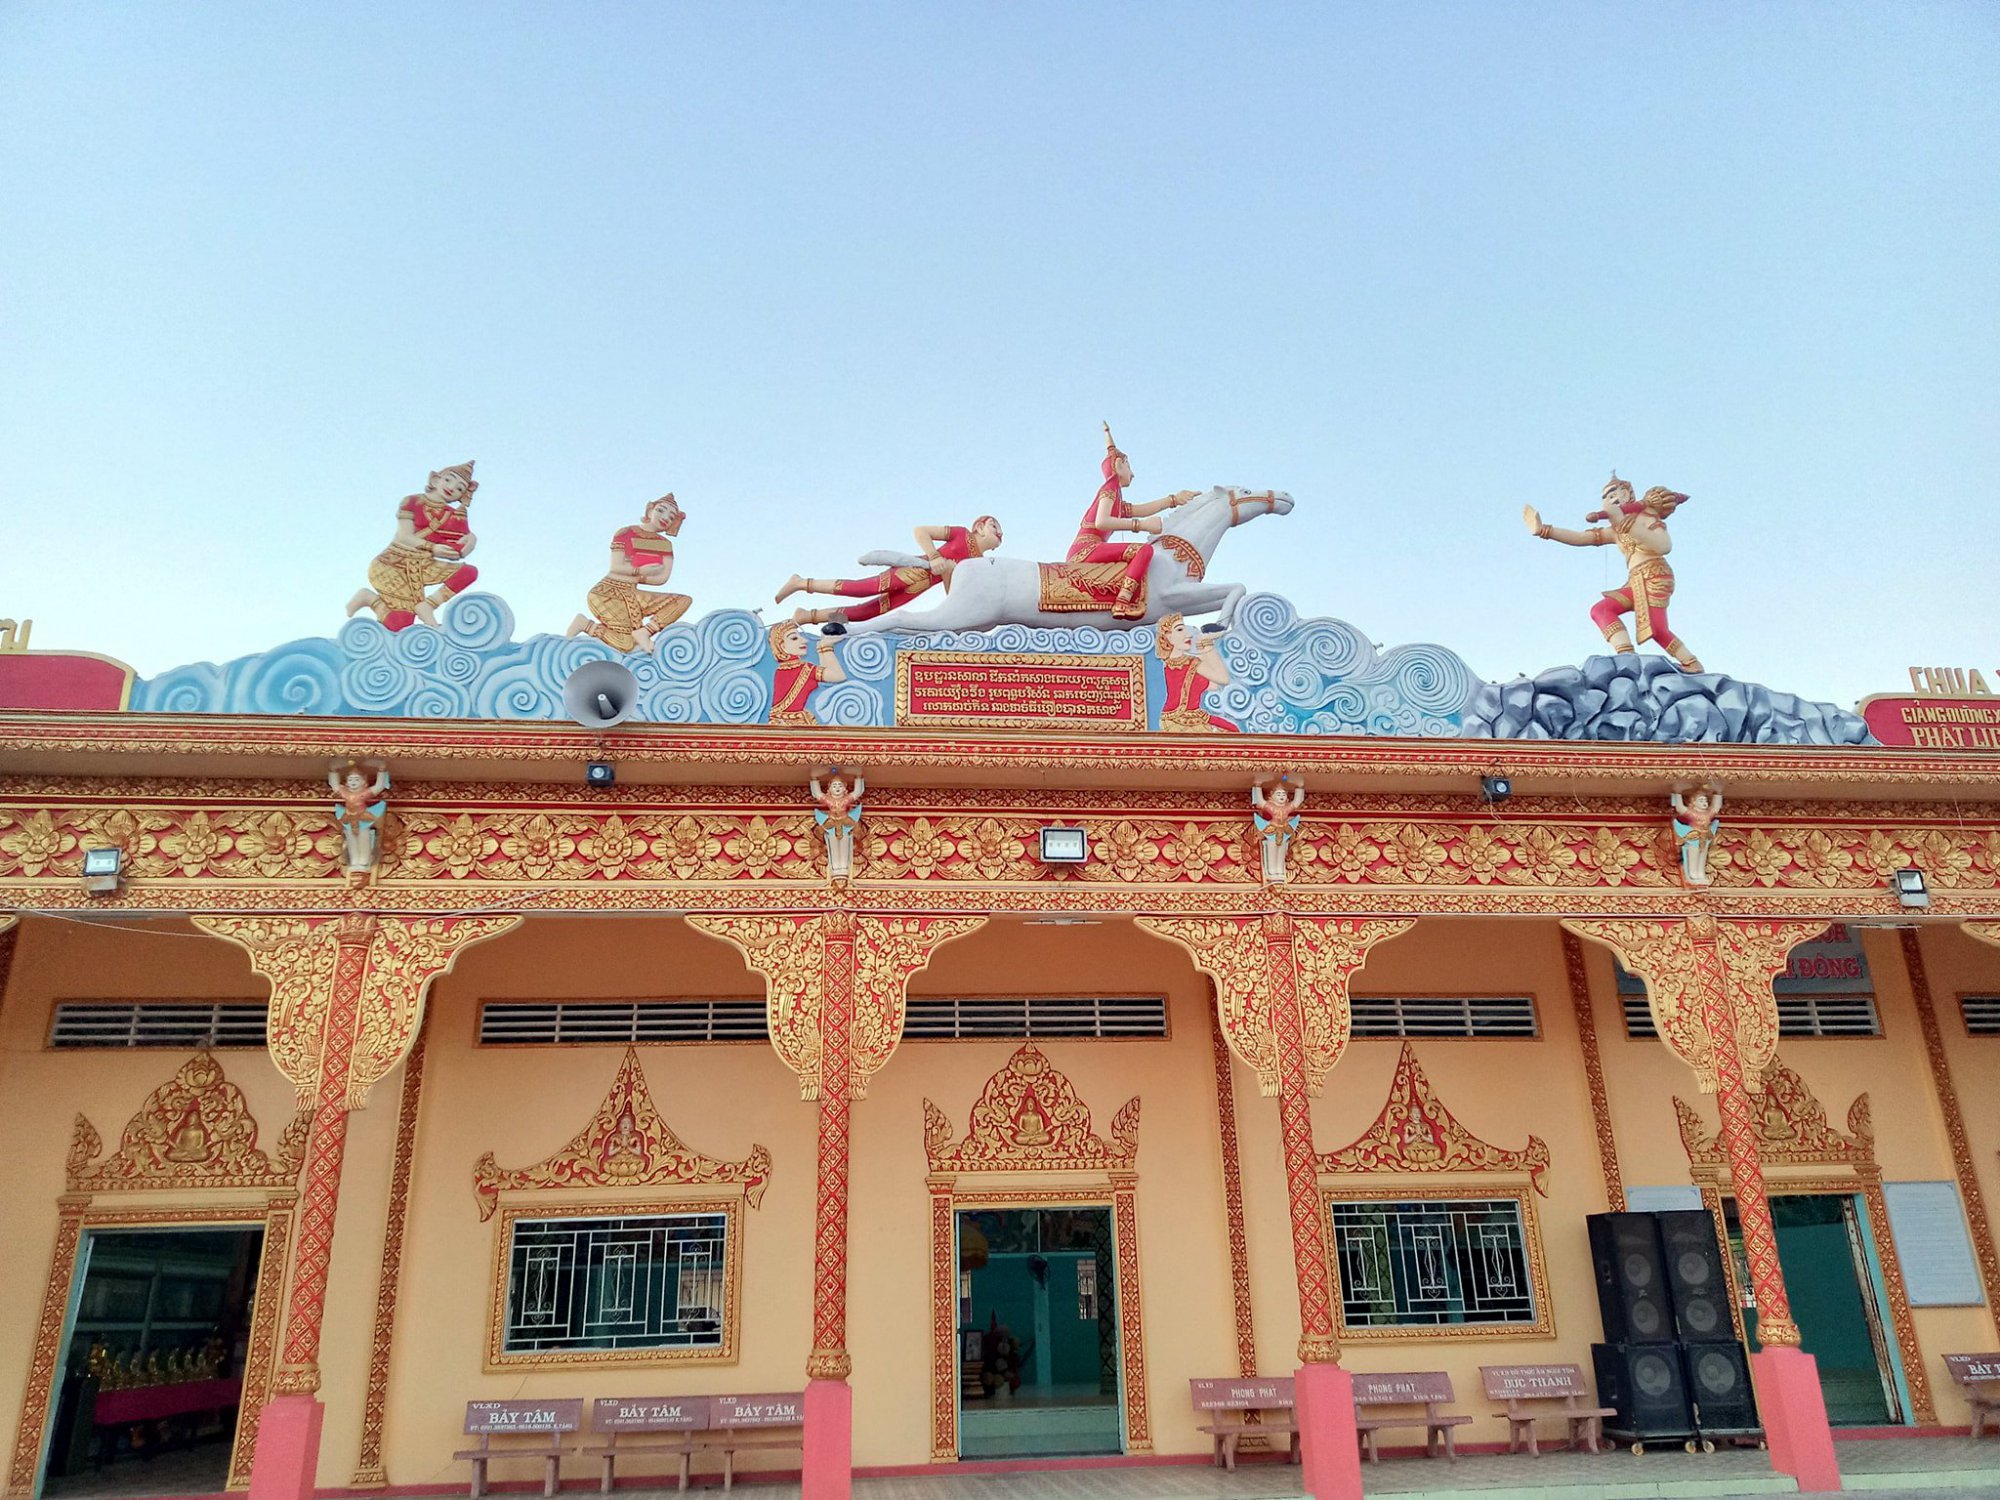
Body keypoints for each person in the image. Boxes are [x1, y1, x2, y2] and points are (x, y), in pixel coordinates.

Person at [1524, 474, 1703, 672]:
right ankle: (1626, 655)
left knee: (1658, 630)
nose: (1610, 500)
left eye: (1614, 494)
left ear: (1627, 494)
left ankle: (1692, 664)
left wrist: (1633, 529)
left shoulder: (1647, 517)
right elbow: (1583, 538)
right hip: (1634, 581)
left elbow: (1664, 546)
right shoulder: (1616, 529)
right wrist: (1543, 530)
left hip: (1655, 575)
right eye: (1606, 497)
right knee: (1601, 610)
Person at [1065, 424, 1197, 620]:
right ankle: (1122, 602)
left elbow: (1142, 509)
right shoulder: (1109, 488)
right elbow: (1102, 522)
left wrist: (1174, 500)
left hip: (1092, 547)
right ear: (1119, 465)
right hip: (1085, 549)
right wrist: (1140, 525)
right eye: (1129, 466)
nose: (1133, 474)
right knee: (1143, 550)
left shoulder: (1117, 497)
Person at [776, 516, 1003, 626]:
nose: (999, 533)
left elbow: (951, 593)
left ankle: (808, 616)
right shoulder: (961, 534)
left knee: (865, 613)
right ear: (979, 527)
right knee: (860, 590)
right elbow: (920, 530)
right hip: (910, 571)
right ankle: (801, 583)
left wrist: (947, 571)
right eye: (995, 526)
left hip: (915, 589)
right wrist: (934, 556)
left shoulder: (976, 563)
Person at [347, 462, 481, 632]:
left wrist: (471, 539)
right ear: (435, 479)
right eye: (448, 480)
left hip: (424, 566)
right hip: (393, 564)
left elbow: (458, 541)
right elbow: (405, 536)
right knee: (401, 625)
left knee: (468, 572)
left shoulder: (453, 515)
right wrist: (433, 548)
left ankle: (429, 605)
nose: (452, 488)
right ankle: (368, 598)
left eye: (460, 489)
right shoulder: (412, 501)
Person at [567, 494, 692, 653]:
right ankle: (585, 624)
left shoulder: (665, 545)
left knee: (683, 601)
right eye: (661, 510)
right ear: (649, 510)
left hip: (632, 593)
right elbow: (616, 567)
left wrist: (638, 575)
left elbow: (662, 578)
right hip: (608, 593)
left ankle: (645, 632)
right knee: (628, 645)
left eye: (671, 517)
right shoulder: (626, 533)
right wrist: (641, 571)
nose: (665, 518)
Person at [1155, 614, 1238, 732]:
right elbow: (1224, 679)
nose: (1187, 634)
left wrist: (1202, 645)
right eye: (1179, 630)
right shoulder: (1189, 663)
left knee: (1232, 729)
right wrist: (1207, 644)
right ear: (1169, 637)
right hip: (1181, 722)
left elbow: (1213, 686)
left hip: (1182, 717)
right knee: (1232, 731)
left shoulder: (1175, 663)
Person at [768, 622, 846, 726]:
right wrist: (826, 647)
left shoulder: (782, 669)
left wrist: (822, 648)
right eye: (794, 638)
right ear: (783, 647)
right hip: (793, 724)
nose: (804, 641)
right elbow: (838, 676)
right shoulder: (802, 669)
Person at [329, 758, 391, 876]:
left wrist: (381, 770)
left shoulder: (364, 793)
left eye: (357, 779)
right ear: (346, 782)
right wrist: (333, 770)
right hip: (348, 817)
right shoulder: (345, 792)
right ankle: (355, 860)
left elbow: (379, 786)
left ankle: (363, 860)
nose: (353, 782)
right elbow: (334, 785)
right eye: (351, 779)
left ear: (363, 782)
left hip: (363, 817)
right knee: (351, 838)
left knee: (364, 836)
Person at [811, 766, 866, 881]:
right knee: (832, 841)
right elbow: (816, 793)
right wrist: (814, 777)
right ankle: (837, 868)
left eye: (840, 786)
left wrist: (858, 776)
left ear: (845, 790)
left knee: (846, 839)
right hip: (830, 823)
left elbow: (858, 791)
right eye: (834, 786)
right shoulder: (828, 800)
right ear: (829, 790)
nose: (837, 788)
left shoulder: (846, 799)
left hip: (846, 822)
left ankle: (843, 868)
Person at [1250, 775, 1305, 885]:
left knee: (1282, 849)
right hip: (1272, 830)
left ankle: (1279, 871)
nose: (1281, 796)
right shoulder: (1271, 807)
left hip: (1285, 830)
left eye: (1284, 794)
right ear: (1272, 797)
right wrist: (1258, 785)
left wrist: (1300, 786)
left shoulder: (1287, 807)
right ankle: (1271, 871)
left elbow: (1297, 801)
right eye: (1278, 794)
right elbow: (1260, 801)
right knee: (1272, 847)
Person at [1671, 782, 1723, 887]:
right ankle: (1693, 874)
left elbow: (1715, 808)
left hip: (1704, 838)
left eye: (1706, 800)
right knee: (1693, 855)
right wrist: (1677, 793)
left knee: (1702, 855)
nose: (1704, 803)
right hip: (1693, 837)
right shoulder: (1692, 813)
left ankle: (1700, 873)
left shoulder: (1707, 814)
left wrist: (1718, 793)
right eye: (1701, 800)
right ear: (1693, 803)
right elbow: (1680, 808)